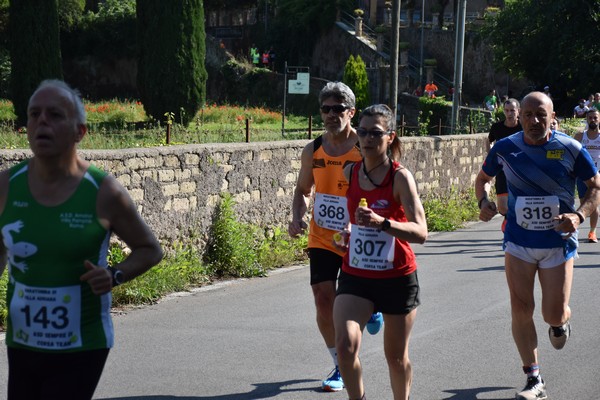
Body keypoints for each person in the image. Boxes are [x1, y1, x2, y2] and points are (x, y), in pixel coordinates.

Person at [0, 79, 164, 400]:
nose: (41, 122)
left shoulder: (104, 192)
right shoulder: (6, 186)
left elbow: (150, 250)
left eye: (55, 115)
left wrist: (114, 275)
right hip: (23, 339)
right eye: (34, 114)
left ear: (80, 132)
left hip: (82, 342)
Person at [475, 92, 600, 400]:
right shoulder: (506, 147)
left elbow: (595, 186)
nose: (533, 121)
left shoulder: (570, 148)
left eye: (540, 115)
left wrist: (579, 214)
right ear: (520, 116)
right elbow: (483, 179)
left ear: (551, 115)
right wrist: (483, 201)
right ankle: (534, 378)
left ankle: (562, 322)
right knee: (521, 308)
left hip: (557, 243)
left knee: (552, 314)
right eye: (527, 114)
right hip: (518, 240)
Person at [288, 82, 383, 393]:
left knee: (354, 300)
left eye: (338, 109)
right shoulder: (312, 150)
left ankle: (375, 305)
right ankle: (340, 364)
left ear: (351, 112)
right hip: (322, 237)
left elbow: (383, 188)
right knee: (323, 298)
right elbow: (302, 191)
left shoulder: (365, 147)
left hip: (360, 236)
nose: (331, 114)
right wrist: (297, 217)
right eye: (325, 109)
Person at [333, 104, 427, 400]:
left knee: (396, 358)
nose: (367, 139)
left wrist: (383, 222)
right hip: (356, 273)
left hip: (396, 277)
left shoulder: (400, 177)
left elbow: (421, 232)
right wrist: (347, 234)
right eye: (362, 132)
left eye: (375, 133)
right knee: (346, 348)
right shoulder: (351, 171)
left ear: (390, 137)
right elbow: (352, 220)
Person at [487, 98, 522, 221]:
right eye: (507, 110)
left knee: (519, 202)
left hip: (520, 170)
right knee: (502, 207)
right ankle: (508, 218)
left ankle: (511, 223)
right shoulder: (497, 127)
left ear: (518, 111)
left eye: (512, 110)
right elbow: (489, 141)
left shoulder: (524, 127)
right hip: (502, 169)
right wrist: (491, 155)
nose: (509, 114)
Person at [574, 108, 600, 243]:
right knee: (584, 203)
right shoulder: (579, 136)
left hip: (597, 175)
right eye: (590, 118)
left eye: (595, 118)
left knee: (594, 204)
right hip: (582, 175)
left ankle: (592, 232)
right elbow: (572, 154)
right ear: (586, 119)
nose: (593, 120)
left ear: (599, 119)